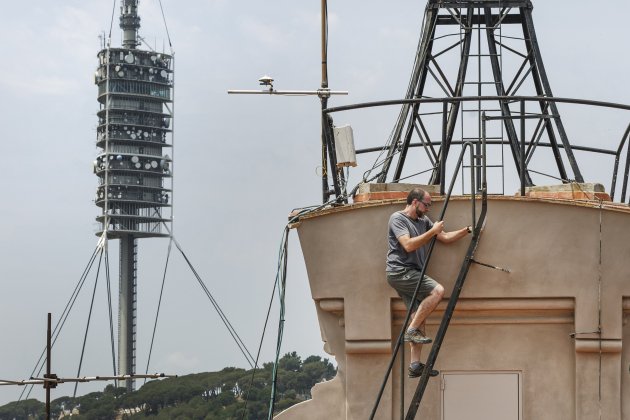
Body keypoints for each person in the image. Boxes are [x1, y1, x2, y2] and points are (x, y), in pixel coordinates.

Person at [386, 188, 471, 378]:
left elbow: (445, 237)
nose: (428, 209)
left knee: (418, 313)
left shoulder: (423, 221)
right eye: (426, 204)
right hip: (400, 271)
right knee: (438, 291)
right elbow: (408, 245)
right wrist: (432, 231)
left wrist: (468, 230)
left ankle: (415, 365)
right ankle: (411, 330)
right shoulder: (398, 219)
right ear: (415, 202)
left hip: (411, 272)